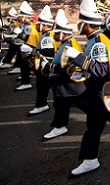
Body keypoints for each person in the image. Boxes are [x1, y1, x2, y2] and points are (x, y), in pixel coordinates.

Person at [65, 0, 110, 177]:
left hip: (101, 93)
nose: (78, 26)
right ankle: (90, 159)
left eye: (80, 23)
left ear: (87, 24)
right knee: (94, 127)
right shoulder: (94, 40)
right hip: (96, 92)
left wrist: (77, 57)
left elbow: (101, 70)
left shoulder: (98, 43)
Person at [40, 9, 87, 140]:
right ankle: (59, 126)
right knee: (60, 106)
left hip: (70, 85)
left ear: (62, 33)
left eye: (56, 33)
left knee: (87, 106)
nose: (53, 36)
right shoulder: (64, 44)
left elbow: (69, 69)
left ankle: (103, 116)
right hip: (63, 85)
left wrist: (49, 67)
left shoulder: (69, 45)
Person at [28, 5, 56, 116]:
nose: (37, 25)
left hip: (46, 67)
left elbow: (47, 53)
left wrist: (33, 51)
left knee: (43, 87)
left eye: (39, 24)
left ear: (44, 25)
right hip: (48, 67)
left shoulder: (47, 37)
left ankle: (41, 105)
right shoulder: (46, 35)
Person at [15, 1, 39, 91]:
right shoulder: (26, 25)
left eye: (21, 16)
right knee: (26, 65)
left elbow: (26, 37)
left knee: (30, 65)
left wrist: (19, 34)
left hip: (30, 47)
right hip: (27, 47)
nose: (20, 17)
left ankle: (26, 82)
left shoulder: (28, 26)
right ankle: (25, 80)